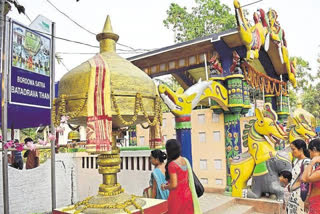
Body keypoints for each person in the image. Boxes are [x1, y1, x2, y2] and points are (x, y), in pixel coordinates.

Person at [161, 139, 201, 214]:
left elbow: (174, 185)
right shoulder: (184, 160)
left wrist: (164, 186)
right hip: (188, 195)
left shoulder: (172, 165)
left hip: (177, 197)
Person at [287, 139, 310, 214]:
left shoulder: (306, 162)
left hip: (300, 196)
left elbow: (306, 180)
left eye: (293, 149)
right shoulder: (295, 161)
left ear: (301, 149)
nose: (292, 151)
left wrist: (293, 187)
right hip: (292, 196)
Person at [301, 138, 320, 214]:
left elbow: (305, 178)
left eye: (310, 151)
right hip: (314, 203)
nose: (310, 154)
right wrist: (307, 199)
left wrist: (312, 162)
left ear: (314, 149)